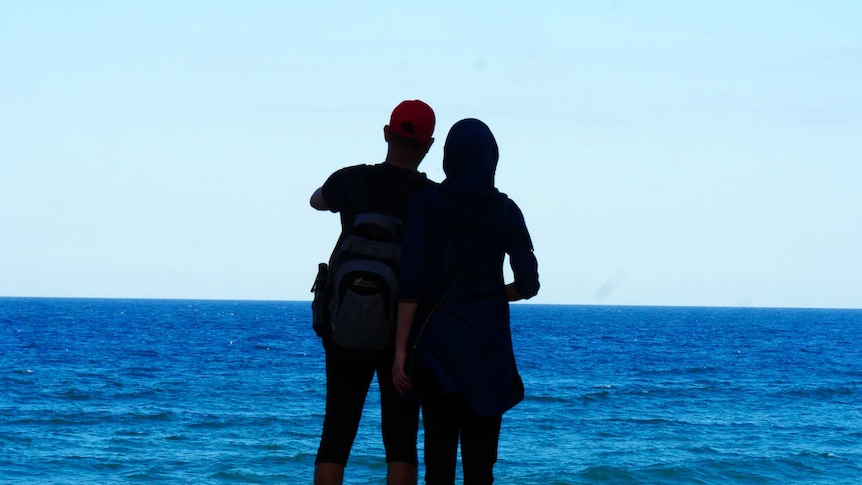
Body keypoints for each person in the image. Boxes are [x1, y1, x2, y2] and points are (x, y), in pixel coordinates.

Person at [392, 118, 539, 484]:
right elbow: (529, 283)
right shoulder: (506, 211)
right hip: (487, 354)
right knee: (480, 468)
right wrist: (492, 295)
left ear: (450, 157)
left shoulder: (426, 206)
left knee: (438, 465)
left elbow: (410, 285)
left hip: (435, 350)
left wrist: (400, 352)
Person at [309, 100, 437, 485]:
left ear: (386, 133)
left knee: (336, 431)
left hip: (344, 327)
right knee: (400, 439)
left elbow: (316, 201)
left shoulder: (351, 179)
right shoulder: (429, 197)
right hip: (403, 330)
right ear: (428, 145)